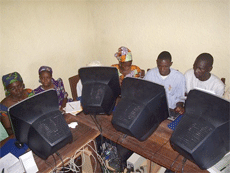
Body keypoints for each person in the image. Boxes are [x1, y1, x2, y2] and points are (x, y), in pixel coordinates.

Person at [144, 51, 186, 116]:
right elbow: (144, 92)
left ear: (171, 64)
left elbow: (180, 97)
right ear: (156, 62)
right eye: (159, 66)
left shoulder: (179, 77)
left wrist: (179, 106)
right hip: (153, 109)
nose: (162, 69)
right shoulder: (150, 74)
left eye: (165, 66)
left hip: (170, 110)